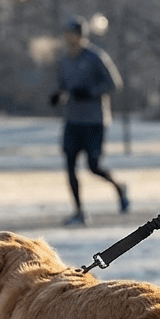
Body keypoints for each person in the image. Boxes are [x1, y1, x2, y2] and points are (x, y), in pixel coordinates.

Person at [51, 16, 129, 226]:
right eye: (67, 34)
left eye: (72, 34)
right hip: (73, 121)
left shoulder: (95, 57)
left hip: (94, 121)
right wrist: (58, 96)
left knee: (94, 167)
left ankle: (119, 187)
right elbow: (64, 87)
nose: (69, 38)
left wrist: (90, 92)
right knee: (69, 165)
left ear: (80, 35)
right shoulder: (65, 60)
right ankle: (79, 212)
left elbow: (114, 83)